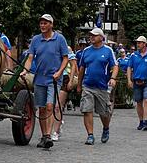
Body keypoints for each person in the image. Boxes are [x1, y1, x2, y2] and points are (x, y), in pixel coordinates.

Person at [20, 14, 69, 149]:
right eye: (41, 23)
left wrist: (59, 73)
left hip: (53, 79)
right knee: (41, 108)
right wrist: (25, 70)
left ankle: (48, 135)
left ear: (51, 25)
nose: (42, 26)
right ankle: (44, 136)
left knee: (49, 106)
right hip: (39, 78)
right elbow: (30, 58)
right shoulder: (36, 40)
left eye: (45, 23)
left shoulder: (59, 39)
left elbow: (65, 58)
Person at [76, 28, 118, 145]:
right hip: (88, 85)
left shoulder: (108, 50)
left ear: (101, 37)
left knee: (104, 113)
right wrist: (79, 85)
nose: (91, 37)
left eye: (94, 35)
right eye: (91, 35)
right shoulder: (86, 51)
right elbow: (82, 68)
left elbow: (115, 66)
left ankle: (105, 128)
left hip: (102, 86)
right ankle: (90, 135)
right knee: (87, 110)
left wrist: (113, 78)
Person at [51, 46, 77, 141]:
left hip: (64, 77)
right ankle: (56, 124)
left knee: (58, 106)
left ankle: (55, 131)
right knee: (50, 105)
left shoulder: (67, 48)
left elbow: (73, 64)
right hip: (51, 77)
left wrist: (71, 80)